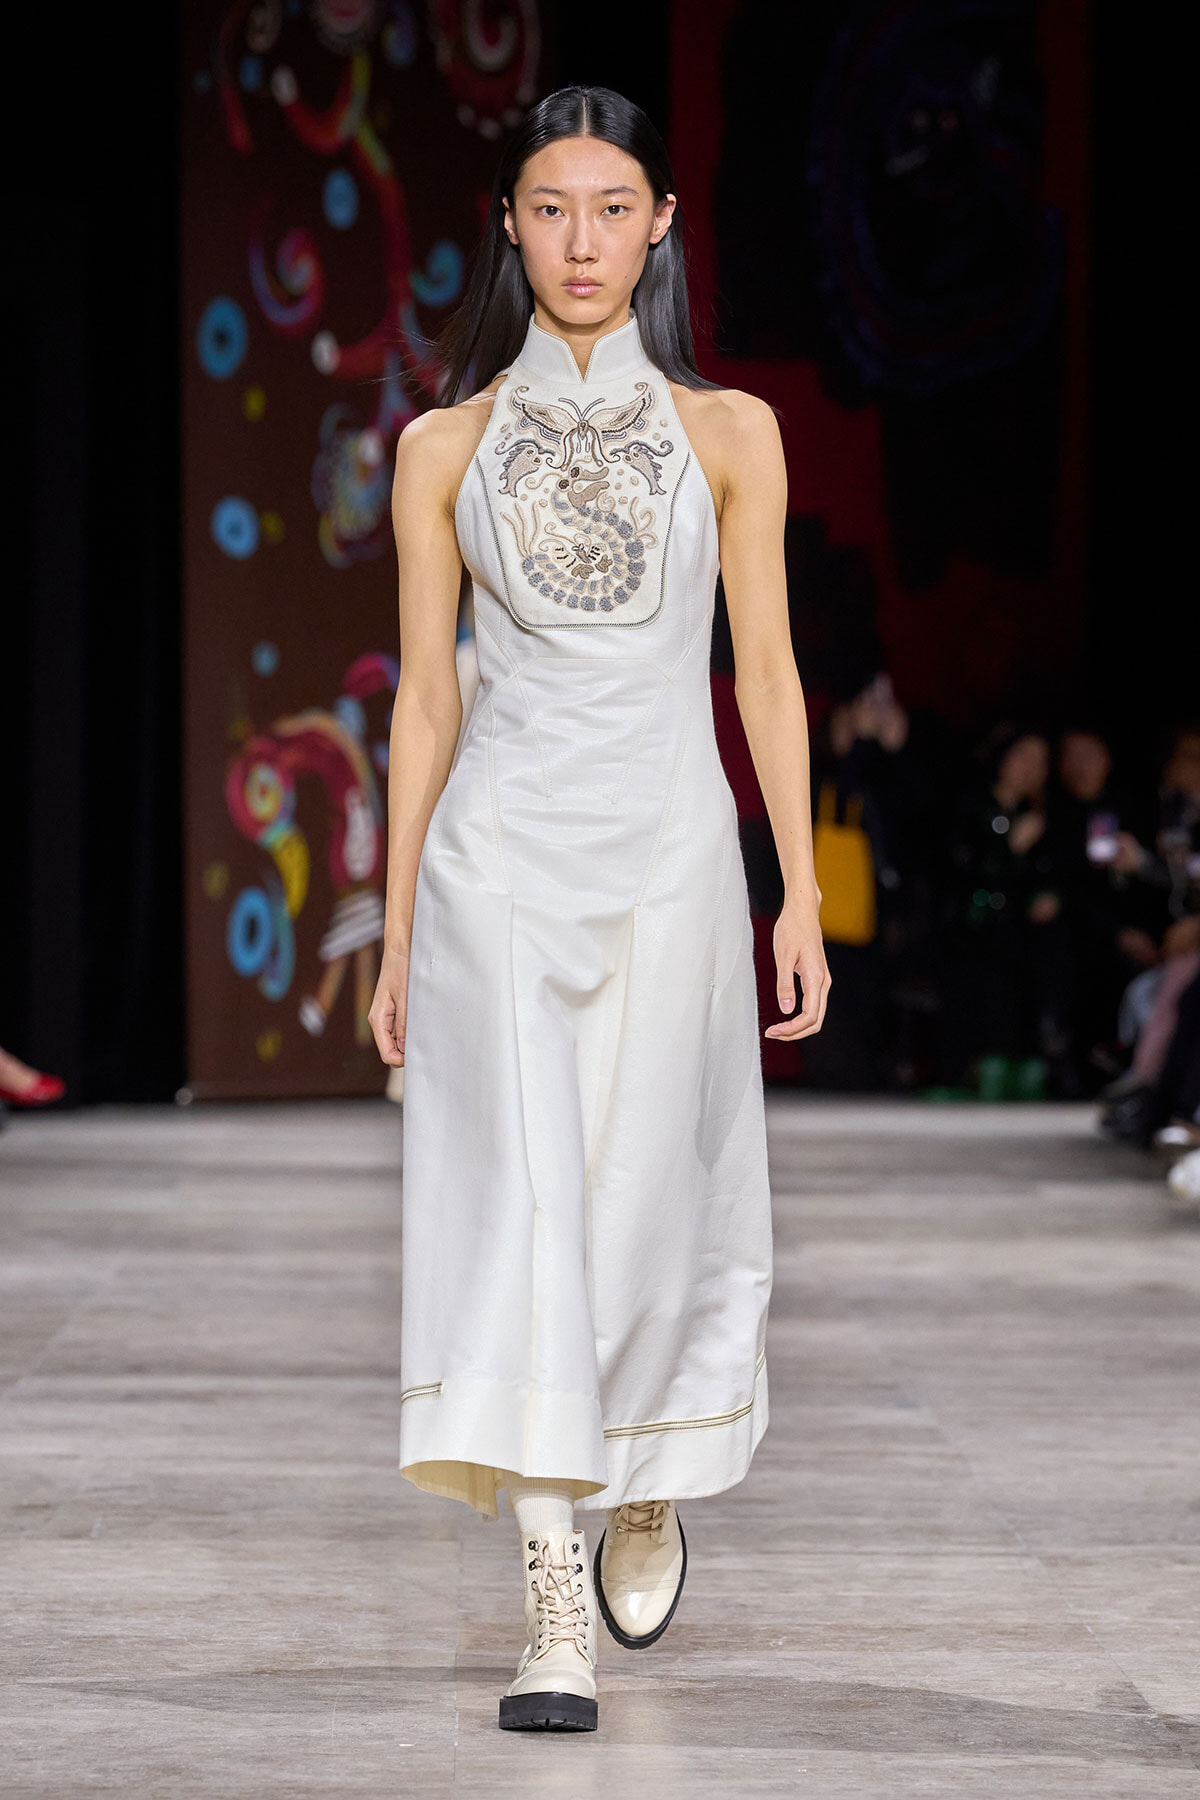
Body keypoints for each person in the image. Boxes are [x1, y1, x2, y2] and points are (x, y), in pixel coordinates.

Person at [366, 87, 829, 1734]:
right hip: (499, 862)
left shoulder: (732, 434)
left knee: (647, 1196)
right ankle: (550, 1595)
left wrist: (802, 887)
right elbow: (427, 701)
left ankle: (646, 1476)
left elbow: (762, 671)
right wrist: (401, 922)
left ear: (663, 221)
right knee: (523, 1210)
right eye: (551, 209)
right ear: (509, 222)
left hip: (672, 858)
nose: (581, 240)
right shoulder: (444, 445)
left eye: (611, 207)